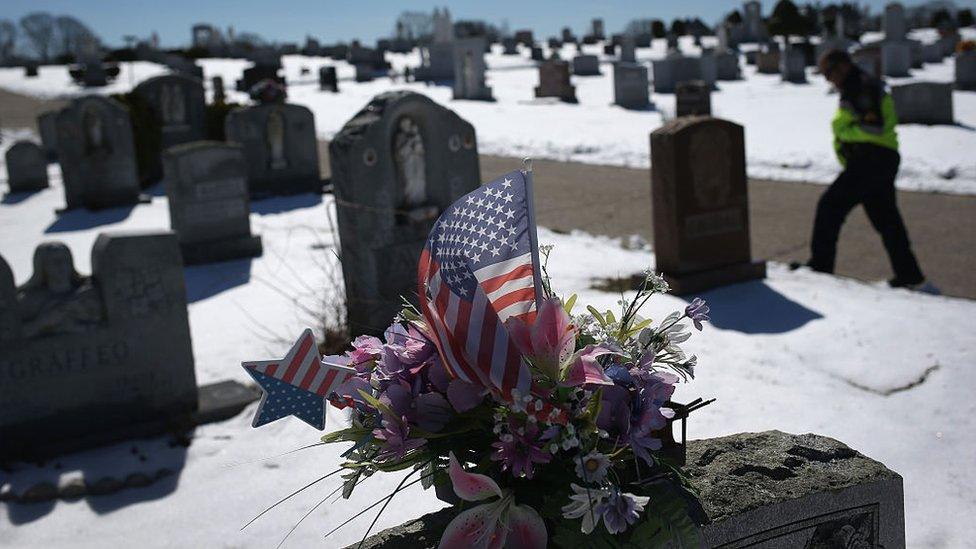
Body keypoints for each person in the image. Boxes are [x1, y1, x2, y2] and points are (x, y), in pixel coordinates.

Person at [801, 49, 926, 289]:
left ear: (843, 66)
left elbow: (874, 128)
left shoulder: (861, 87)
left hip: (871, 160)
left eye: (829, 73)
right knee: (886, 219)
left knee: (829, 207)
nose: (828, 79)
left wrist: (842, 132)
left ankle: (820, 267)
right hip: (878, 160)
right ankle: (909, 274)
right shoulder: (857, 85)